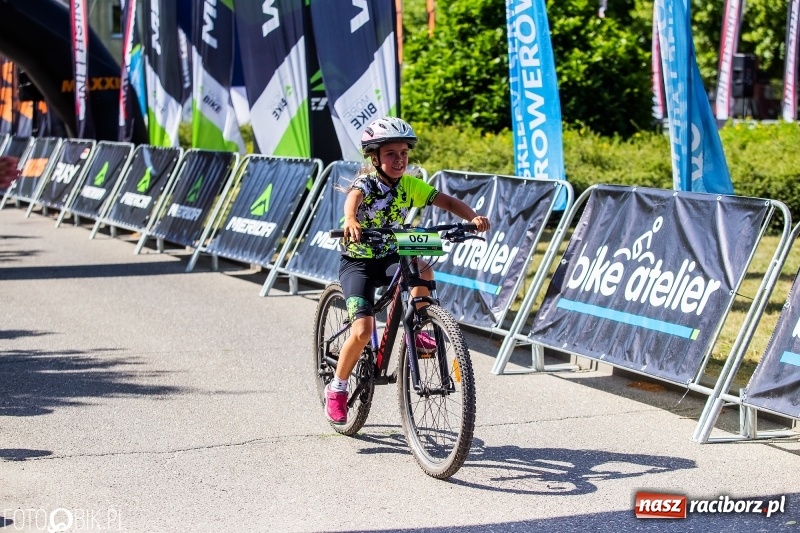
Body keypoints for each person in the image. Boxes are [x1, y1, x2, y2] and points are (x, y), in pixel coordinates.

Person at [325, 117, 490, 425]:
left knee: (423, 264)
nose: (399, 159)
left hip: (390, 254)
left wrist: (473, 217)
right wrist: (350, 220)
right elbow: (353, 200)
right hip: (358, 261)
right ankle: (337, 387)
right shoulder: (367, 183)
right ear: (375, 158)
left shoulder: (410, 185)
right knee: (362, 331)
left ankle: (418, 322)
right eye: (391, 154)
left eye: (403, 152)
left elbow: (448, 201)